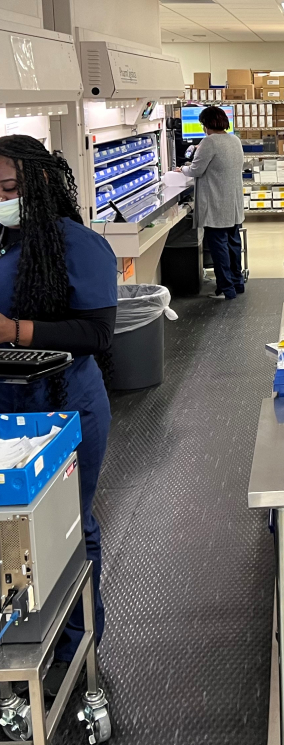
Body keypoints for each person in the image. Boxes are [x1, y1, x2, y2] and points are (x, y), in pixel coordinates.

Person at [0, 135, 117, 692]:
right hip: (6, 409)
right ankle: (17, 643)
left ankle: (76, 647)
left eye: (7, 189)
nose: (0, 200)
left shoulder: (78, 246)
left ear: (40, 183)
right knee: (9, 536)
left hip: (64, 404)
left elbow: (96, 333)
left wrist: (15, 332)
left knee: (69, 526)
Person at [178, 105, 245, 301]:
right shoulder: (235, 140)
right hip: (233, 204)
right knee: (233, 245)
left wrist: (181, 169)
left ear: (207, 124)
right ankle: (237, 283)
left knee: (219, 248)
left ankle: (226, 289)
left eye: (202, 124)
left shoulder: (209, 142)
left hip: (216, 204)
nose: (202, 128)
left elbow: (196, 170)